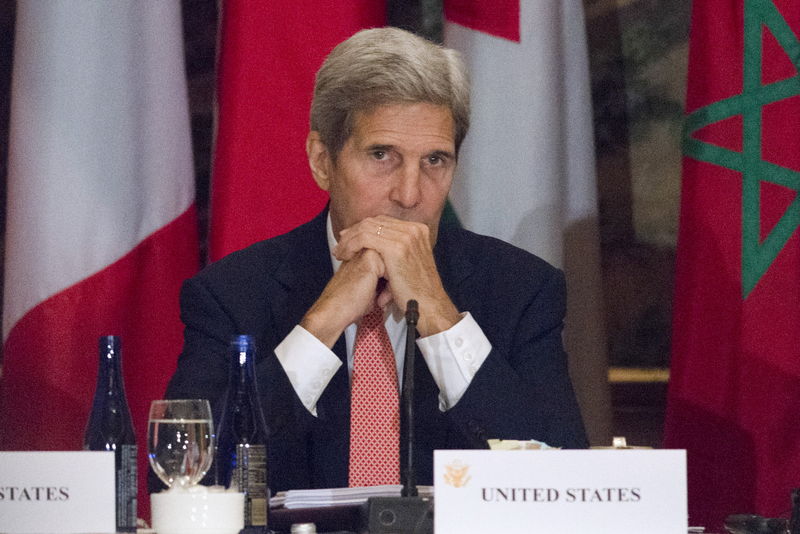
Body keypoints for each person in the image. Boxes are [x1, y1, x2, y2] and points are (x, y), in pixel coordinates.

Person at [165, 27, 587, 493]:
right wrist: (321, 325)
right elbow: (184, 477)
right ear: (322, 161)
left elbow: (563, 482)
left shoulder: (520, 290)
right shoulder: (232, 295)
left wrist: (442, 320)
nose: (409, 194)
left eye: (435, 161)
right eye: (382, 155)